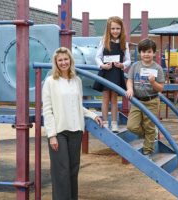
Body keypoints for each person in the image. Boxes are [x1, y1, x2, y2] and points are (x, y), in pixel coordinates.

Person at [42, 47, 103, 200]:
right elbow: (47, 110)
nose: (63, 62)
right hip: (59, 132)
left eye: (66, 59)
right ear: (56, 63)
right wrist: (52, 135)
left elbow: (77, 105)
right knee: (61, 171)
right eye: (60, 60)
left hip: (76, 131)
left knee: (73, 170)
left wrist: (92, 114)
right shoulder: (50, 82)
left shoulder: (77, 80)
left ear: (71, 60)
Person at [126, 38, 165, 156]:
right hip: (137, 101)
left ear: (154, 53)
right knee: (131, 126)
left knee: (149, 125)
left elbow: (161, 88)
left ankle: (147, 151)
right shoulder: (135, 66)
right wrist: (130, 89)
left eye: (148, 52)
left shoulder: (157, 68)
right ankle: (151, 134)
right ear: (140, 53)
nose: (146, 54)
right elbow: (130, 80)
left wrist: (153, 82)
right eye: (143, 52)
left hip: (151, 100)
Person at [93, 16, 131, 132]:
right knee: (105, 98)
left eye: (117, 28)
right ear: (109, 29)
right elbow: (97, 57)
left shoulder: (124, 43)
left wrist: (122, 65)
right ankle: (104, 122)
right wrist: (102, 65)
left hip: (116, 73)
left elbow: (128, 60)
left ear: (121, 29)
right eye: (113, 28)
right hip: (106, 71)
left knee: (114, 99)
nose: (115, 31)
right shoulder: (104, 41)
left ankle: (114, 123)